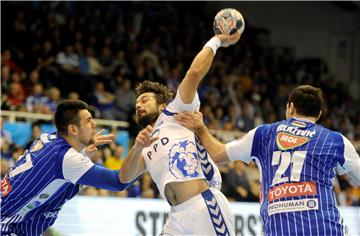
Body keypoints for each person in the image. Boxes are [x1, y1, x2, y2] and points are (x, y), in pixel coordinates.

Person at [175, 85, 360, 235]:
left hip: (279, 230)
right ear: (318, 114)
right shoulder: (336, 141)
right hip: (326, 230)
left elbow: (217, 153)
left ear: (290, 107)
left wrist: (200, 128)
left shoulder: (264, 134)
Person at [120, 31, 241, 235]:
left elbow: (193, 74)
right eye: (136, 103)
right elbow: (124, 178)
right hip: (176, 216)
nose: (138, 105)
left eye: (144, 100)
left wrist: (218, 40)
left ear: (162, 106)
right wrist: (137, 147)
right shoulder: (145, 142)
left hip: (204, 205)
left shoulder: (175, 112)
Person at [0, 99, 137, 235]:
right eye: (89, 121)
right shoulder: (67, 158)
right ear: (73, 129)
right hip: (7, 227)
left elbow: (55, 169)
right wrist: (145, 153)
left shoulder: (48, 137)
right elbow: (119, 182)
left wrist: (83, 151)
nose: (94, 124)